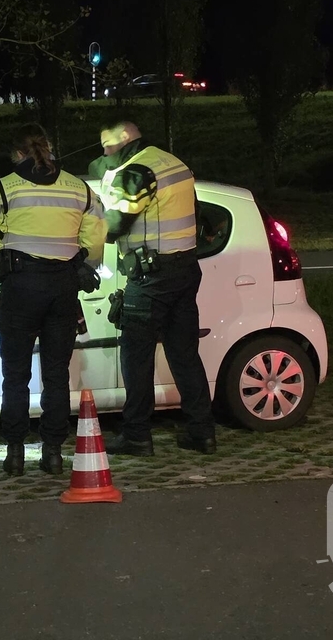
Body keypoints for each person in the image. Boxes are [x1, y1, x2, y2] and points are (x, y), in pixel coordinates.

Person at [0, 123, 107, 476]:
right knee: (56, 375)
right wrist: (79, 256)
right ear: (49, 148)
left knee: (15, 376)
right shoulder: (78, 187)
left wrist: (9, 245)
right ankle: (53, 454)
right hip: (63, 287)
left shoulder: (5, 186)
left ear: (17, 154)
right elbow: (95, 238)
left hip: (21, 285)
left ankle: (15, 454)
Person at [88, 120, 216, 456]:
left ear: (126, 140)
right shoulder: (173, 163)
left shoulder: (136, 172)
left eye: (108, 145)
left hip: (151, 277)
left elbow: (114, 226)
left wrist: (91, 221)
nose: (105, 152)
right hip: (185, 270)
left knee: (136, 355)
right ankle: (202, 433)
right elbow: (200, 215)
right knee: (185, 354)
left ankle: (136, 436)